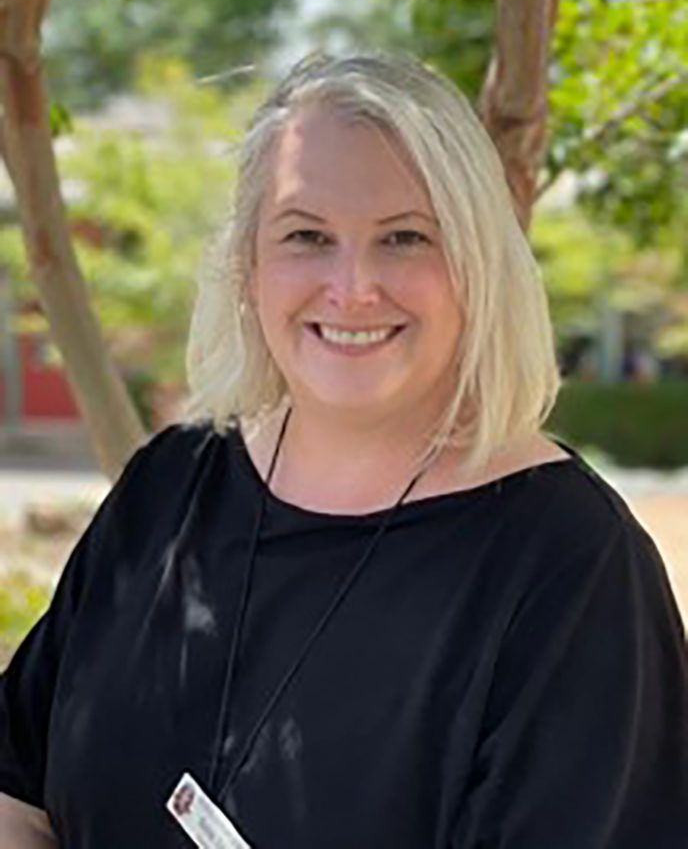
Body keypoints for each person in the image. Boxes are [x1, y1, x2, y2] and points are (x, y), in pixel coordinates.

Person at [1, 52, 687, 847]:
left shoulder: (574, 569)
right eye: (306, 235)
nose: (354, 286)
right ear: (246, 269)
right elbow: (16, 787)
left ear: (477, 269)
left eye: (404, 237)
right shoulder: (168, 489)